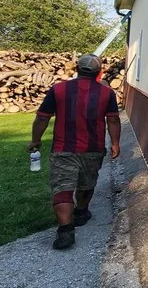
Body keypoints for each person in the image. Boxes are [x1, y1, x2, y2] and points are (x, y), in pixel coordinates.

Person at [27, 54, 122, 250]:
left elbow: (42, 118)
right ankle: (81, 211)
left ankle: (65, 230)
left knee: (63, 187)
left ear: (77, 69)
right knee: (87, 183)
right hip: (93, 149)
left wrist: (36, 140)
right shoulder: (107, 93)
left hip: (63, 148)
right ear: (99, 72)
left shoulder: (58, 89)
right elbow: (113, 120)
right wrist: (115, 143)